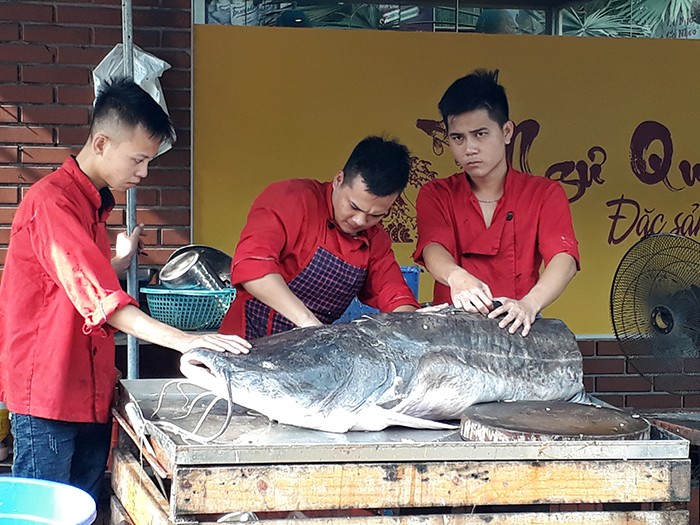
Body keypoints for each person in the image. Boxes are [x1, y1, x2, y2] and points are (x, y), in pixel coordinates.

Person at [0, 77, 250, 503]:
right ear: (100, 143)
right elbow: (102, 300)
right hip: (48, 392)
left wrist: (119, 260)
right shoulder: (52, 203)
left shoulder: (91, 204)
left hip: (87, 385)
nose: (144, 172)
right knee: (47, 506)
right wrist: (189, 340)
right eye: (138, 159)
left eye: (149, 161)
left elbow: (74, 279)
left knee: (85, 503)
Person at [413, 69, 580, 337]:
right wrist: (457, 277)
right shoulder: (436, 193)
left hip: (519, 327)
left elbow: (565, 259)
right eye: (458, 137)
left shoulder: (544, 193)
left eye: (480, 134)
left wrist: (529, 304)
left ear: (506, 131)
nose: (469, 148)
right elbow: (433, 247)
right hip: (451, 333)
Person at [219, 135, 420, 339]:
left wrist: (411, 324)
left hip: (308, 349)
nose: (360, 220)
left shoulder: (375, 239)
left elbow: (394, 294)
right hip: (246, 341)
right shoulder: (291, 199)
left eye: (376, 215)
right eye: (353, 206)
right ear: (338, 180)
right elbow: (253, 268)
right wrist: (308, 323)